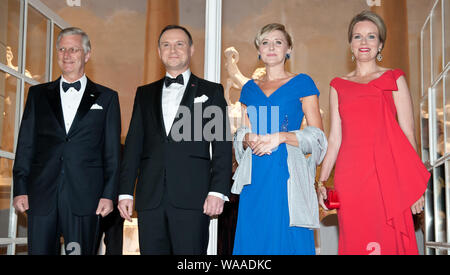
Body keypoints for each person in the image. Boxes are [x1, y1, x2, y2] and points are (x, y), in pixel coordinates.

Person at [317, 11, 430, 255]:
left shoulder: (394, 78)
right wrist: (322, 180)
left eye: (371, 36)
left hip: (388, 176)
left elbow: (408, 133)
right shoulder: (338, 85)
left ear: (380, 44)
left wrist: (413, 186)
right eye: (358, 36)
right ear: (350, 44)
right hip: (351, 179)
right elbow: (335, 139)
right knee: (357, 240)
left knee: (390, 242)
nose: (364, 42)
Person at [118, 25, 232, 255]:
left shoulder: (211, 91)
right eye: (166, 45)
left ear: (191, 50)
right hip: (150, 198)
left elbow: (221, 145)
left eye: (180, 44)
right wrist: (125, 192)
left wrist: (218, 191)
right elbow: (133, 146)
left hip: (194, 197)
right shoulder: (144, 93)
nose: (173, 50)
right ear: (159, 52)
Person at [12, 27, 122, 255]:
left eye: (73, 49)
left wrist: (108, 195)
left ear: (87, 55)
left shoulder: (107, 98)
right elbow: (25, 145)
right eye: (62, 49)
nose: (67, 55)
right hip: (41, 196)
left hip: (86, 197)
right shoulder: (38, 95)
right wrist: (20, 188)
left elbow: (112, 153)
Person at [232, 23, 324, 255]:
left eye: (278, 42)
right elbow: (241, 135)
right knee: (254, 241)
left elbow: (318, 138)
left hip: (288, 175)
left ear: (288, 49)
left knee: (288, 240)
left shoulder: (303, 83)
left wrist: (281, 137)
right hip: (255, 177)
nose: (271, 47)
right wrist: (247, 138)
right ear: (258, 51)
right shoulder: (249, 90)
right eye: (265, 42)